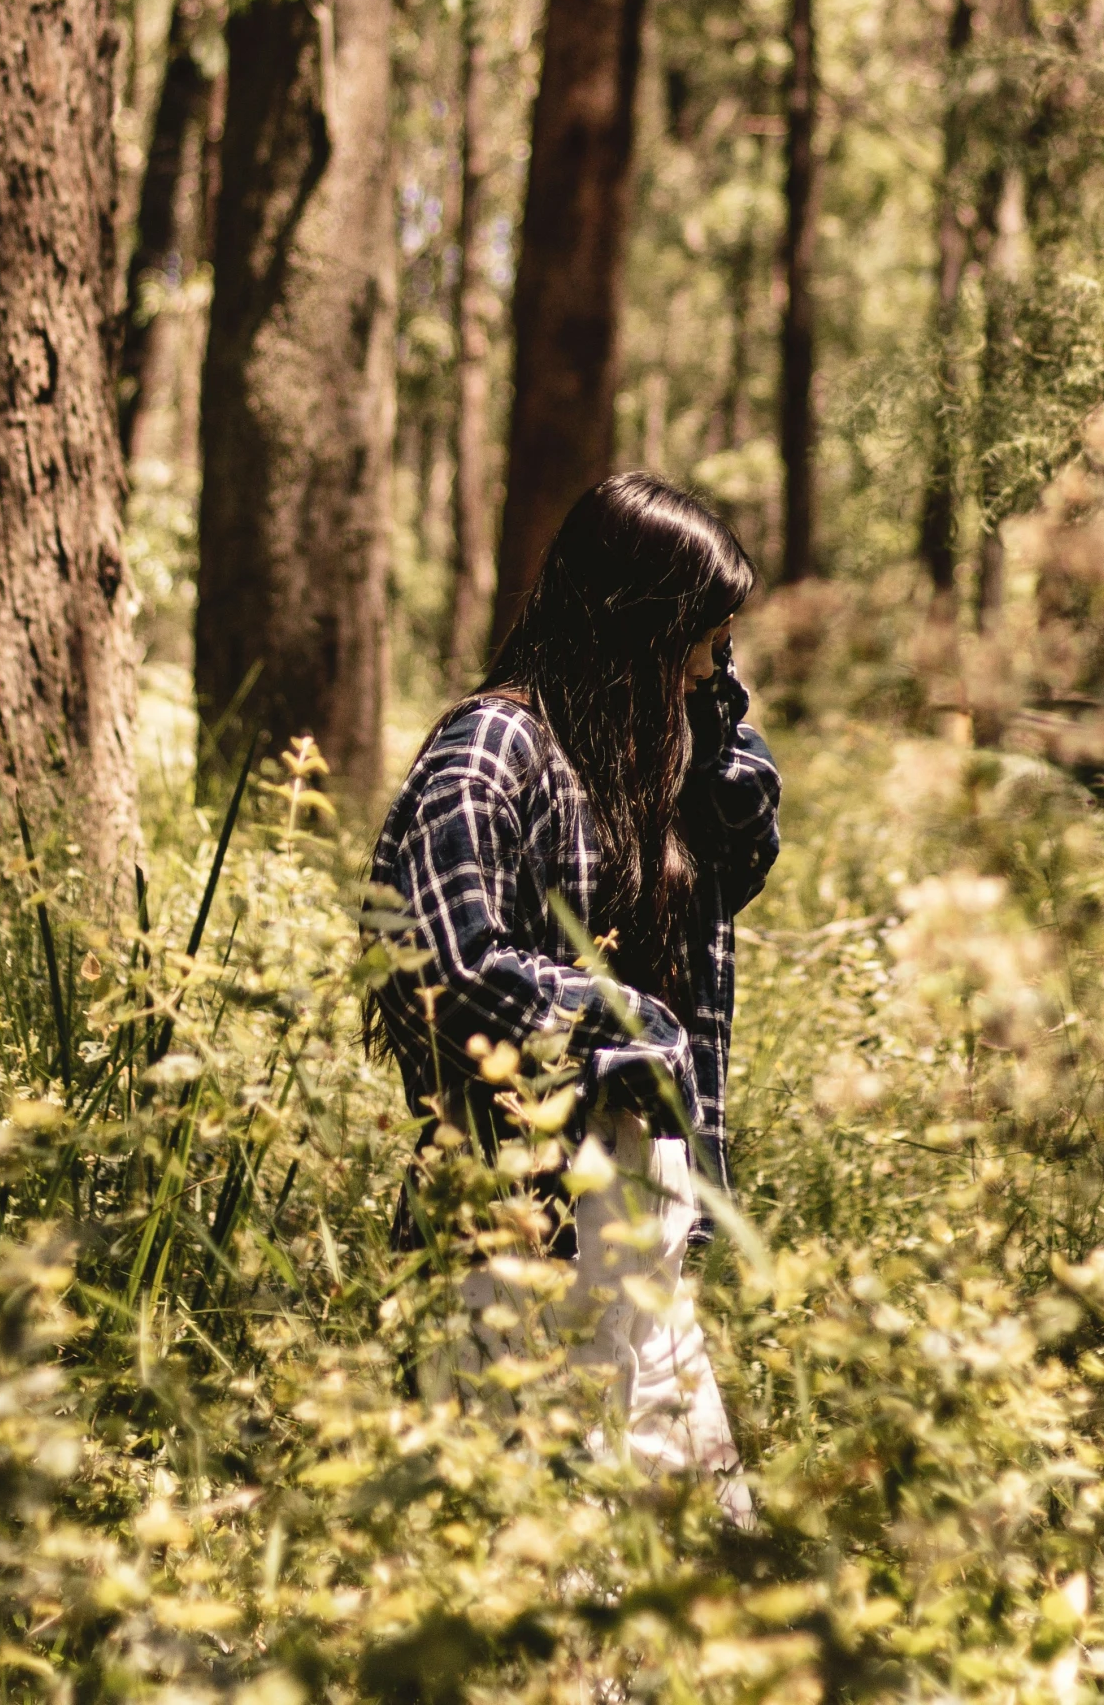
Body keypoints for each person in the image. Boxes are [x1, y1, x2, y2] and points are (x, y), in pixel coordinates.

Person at [365, 473, 781, 1515]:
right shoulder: (490, 748)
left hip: (641, 1214)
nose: (706, 667)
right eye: (696, 638)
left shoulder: (644, 757)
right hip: (515, 1227)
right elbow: (441, 963)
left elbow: (745, 837)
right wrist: (615, 1020)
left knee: (694, 1553)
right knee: (540, 1562)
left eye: (720, 645)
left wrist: (718, 708)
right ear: (630, 624)